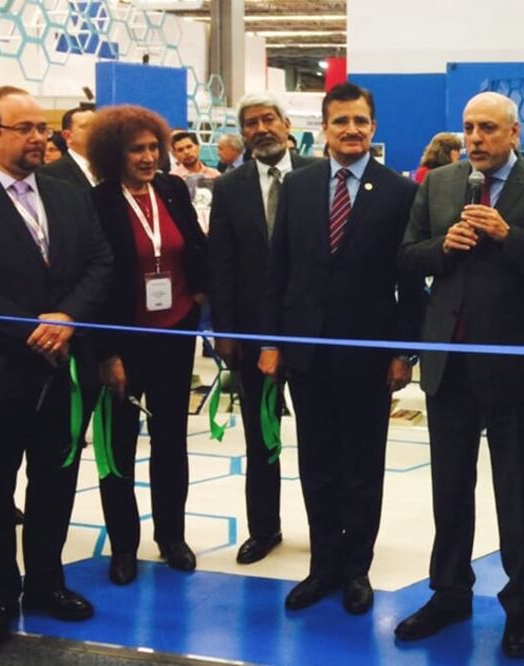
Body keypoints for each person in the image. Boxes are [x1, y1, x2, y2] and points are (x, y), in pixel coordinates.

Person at [395, 91, 524, 659]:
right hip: (448, 366)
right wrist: (441, 248)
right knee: (449, 491)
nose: (476, 138)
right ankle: (449, 592)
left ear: (514, 133)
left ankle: (519, 605)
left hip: (513, 370)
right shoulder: (440, 183)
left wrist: (509, 237)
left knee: (516, 496)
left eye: (488, 129)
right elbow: (406, 256)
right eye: (469, 128)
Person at [0, 86, 113, 653]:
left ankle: (46, 584)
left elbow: (100, 262)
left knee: (55, 483)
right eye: (25, 129)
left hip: (62, 370)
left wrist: (66, 317)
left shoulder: (69, 196)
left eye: (42, 128)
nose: (39, 138)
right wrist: (30, 328)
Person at [259, 82, 422, 615]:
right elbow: (277, 270)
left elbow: (410, 282)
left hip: (369, 358)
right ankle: (322, 566)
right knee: (318, 465)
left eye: (360, 121)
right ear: (323, 128)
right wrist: (273, 342)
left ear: (374, 128)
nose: (351, 130)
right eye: (340, 121)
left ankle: (357, 569)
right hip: (306, 356)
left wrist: (403, 352)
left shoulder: (398, 192)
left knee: (362, 466)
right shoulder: (300, 187)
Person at [87, 105, 208, 586]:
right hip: (124, 343)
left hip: (175, 337)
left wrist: (199, 294)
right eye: (136, 149)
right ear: (114, 154)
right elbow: (93, 280)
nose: (147, 156)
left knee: (171, 443)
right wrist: (107, 353)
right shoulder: (97, 202)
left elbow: (195, 246)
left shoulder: (173, 189)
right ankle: (123, 547)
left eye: (153, 147)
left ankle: (172, 537)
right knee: (119, 447)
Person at [209, 92, 316, 565]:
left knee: (319, 439)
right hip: (252, 333)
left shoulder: (318, 176)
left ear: (287, 124)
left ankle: (327, 533)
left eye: (268, 119)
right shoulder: (229, 189)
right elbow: (222, 265)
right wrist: (225, 331)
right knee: (260, 437)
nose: (260, 129)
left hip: (315, 330)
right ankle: (263, 528)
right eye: (250, 123)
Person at [41, 105, 98, 189]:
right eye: (85, 126)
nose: (94, 130)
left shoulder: (110, 169)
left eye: (97, 125)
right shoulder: (50, 173)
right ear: (67, 136)